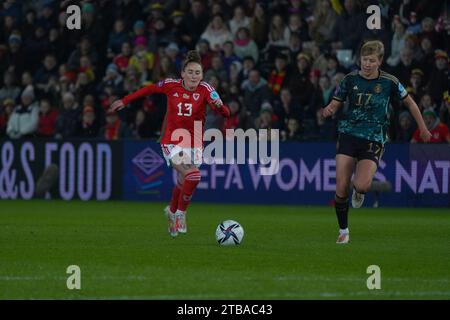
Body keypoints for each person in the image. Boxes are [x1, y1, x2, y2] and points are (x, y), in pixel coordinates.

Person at [321, 40, 432, 244]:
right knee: (341, 186)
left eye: (372, 60)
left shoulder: (390, 82)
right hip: (349, 134)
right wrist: (329, 109)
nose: (367, 64)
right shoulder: (349, 79)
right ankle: (344, 230)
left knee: (361, 186)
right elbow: (336, 102)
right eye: (364, 60)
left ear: (380, 61)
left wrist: (423, 127)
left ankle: (359, 191)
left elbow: (410, 103)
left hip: (374, 138)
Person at [110, 51, 230, 237]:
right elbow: (148, 90)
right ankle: (181, 214)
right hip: (173, 140)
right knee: (193, 175)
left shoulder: (206, 89)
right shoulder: (171, 85)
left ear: (202, 75)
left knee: (185, 181)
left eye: (197, 72)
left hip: (195, 141)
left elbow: (226, 113)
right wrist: (125, 100)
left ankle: (172, 212)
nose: (193, 76)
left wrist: (219, 105)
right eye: (190, 72)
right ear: (182, 73)